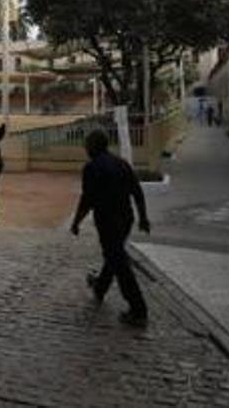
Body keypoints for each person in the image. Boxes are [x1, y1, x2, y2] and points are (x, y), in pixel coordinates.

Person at [70, 128, 150, 327]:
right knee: (114, 255)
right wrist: (143, 218)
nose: (85, 148)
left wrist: (76, 222)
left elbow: (87, 199)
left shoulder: (91, 168)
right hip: (126, 219)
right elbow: (137, 191)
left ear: (94, 146)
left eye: (87, 144)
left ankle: (138, 309)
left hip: (107, 221)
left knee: (119, 262)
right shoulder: (122, 163)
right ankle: (100, 287)